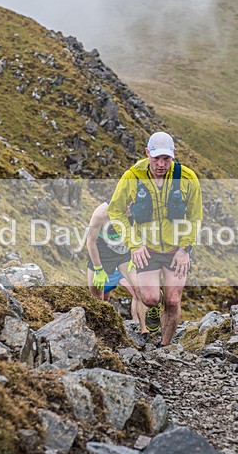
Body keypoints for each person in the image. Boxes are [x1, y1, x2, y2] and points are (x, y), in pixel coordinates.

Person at [108, 131, 202, 347]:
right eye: (156, 158)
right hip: (146, 248)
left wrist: (185, 249)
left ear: (173, 155)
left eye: (166, 159)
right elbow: (116, 212)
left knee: (173, 300)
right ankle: (153, 309)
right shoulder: (131, 177)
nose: (161, 164)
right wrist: (134, 244)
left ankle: (165, 346)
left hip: (177, 249)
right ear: (147, 153)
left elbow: (195, 217)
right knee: (150, 299)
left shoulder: (187, 178)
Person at [85, 201, 150, 340]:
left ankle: (144, 329)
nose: (129, 211)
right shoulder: (101, 213)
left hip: (124, 254)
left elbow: (143, 231)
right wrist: (98, 268)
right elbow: (90, 242)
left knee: (139, 288)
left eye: (132, 207)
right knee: (97, 297)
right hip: (101, 253)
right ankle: (100, 332)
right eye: (127, 207)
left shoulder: (138, 209)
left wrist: (135, 250)